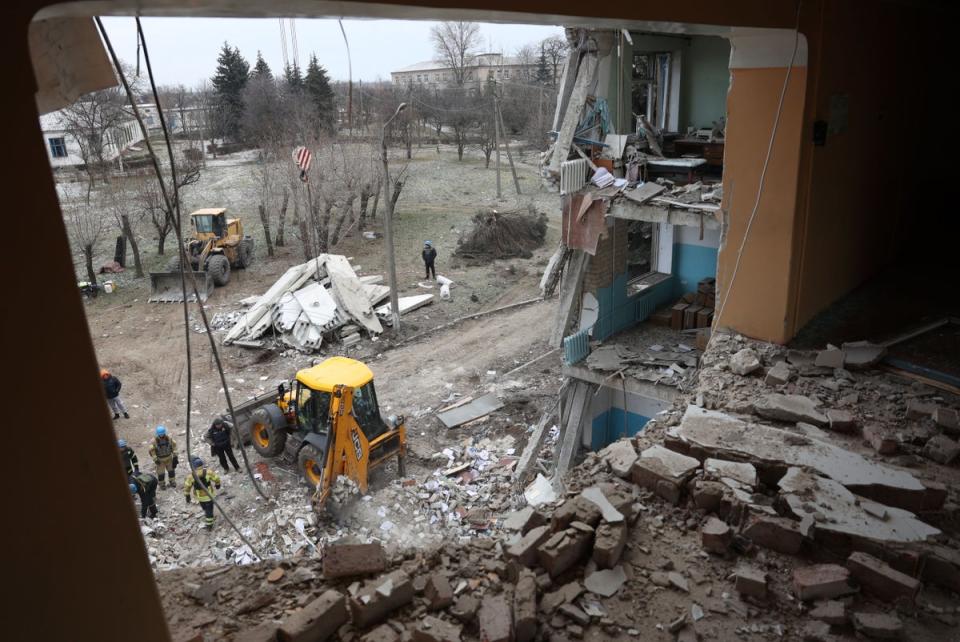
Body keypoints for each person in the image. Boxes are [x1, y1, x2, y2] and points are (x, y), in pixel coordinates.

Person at [184, 457, 221, 529]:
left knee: (205, 508)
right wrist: (217, 484)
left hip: (200, 496)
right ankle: (209, 524)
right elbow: (216, 478)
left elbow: (187, 486)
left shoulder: (191, 476)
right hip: (209, 495)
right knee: (209, 510)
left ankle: (208, 519)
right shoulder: (208, 472)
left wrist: (187, 495)